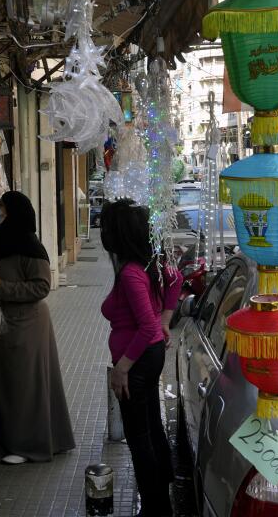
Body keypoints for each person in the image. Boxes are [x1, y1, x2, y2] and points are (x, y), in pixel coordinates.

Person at [100, 200, 182, 517]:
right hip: (149, 357)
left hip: (137, 362)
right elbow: (175, 278)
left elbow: (146, 325)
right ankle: (163, 489)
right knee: (151, 426)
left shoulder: (133, 272)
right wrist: (165, 320)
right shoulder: (149, 264)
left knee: (139, 438)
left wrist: (121, 370)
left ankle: (155, 507)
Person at [0, 191, 75, 465]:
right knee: (5, 384)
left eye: (1, 206)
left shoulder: (30, 247)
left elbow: (41, 286)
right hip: (0, 324)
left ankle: (26, 445)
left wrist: (2, 286)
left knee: (25, 385)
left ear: (14, 212)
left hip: (27, 325)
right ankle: (7, 440)